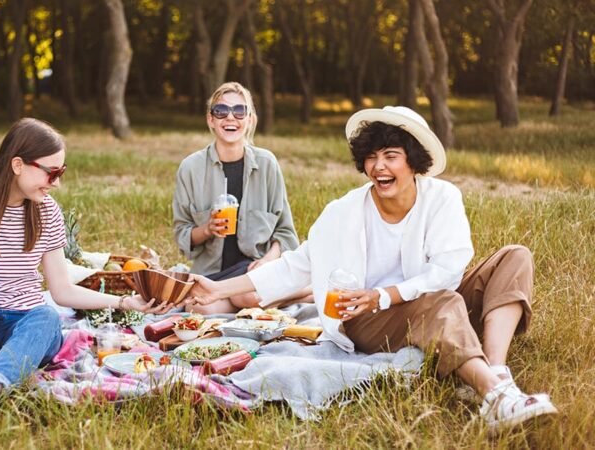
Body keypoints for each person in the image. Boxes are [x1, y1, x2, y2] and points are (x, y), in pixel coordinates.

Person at [188, 106, 557, 432]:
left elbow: (449, 268)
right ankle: (495, 393)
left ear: (414, 161)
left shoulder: (442, 198)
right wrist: (219, 290)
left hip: (422, 302)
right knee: (441, 302)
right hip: (365, 319)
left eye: (391, 156)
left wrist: (385, 295)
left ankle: (496, 375)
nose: (379, 166)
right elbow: (294, 267)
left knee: (515, 256)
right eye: (371, 157)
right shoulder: (342, 212)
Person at [0, 118, 171, 426]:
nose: (56, 182)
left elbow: (62, 291)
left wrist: (124, 303)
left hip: (22, 324)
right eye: (51, 172)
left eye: (62, 172)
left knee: (47, 317)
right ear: (18, 164)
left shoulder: (47, 212)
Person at [172, 81, 308, 313]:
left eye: (239, 111)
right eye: (221, 111)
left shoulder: (267, 164)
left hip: (255, 271)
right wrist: (207, 229)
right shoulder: (190, 168)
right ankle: (293, 295)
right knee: (201, 310)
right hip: (213, 275)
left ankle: (306, 293)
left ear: (250, 120)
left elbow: (285, 233)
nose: (230, 118)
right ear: (210, 120)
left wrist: (266, 262)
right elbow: (182, 234)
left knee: (248, 294)